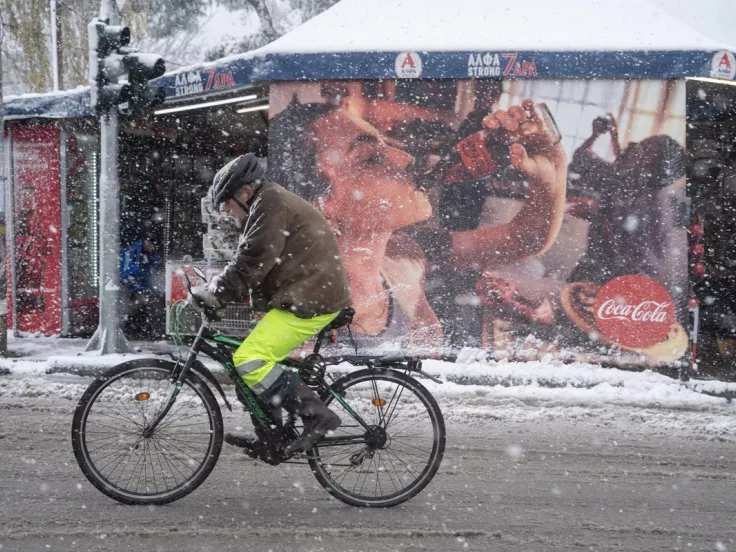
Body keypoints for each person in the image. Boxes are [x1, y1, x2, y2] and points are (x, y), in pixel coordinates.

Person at [267, 97, 567, 350]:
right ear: (319, 207)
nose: (406, 158)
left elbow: (523, 239)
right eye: (371, 158)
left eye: (389, 145)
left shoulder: (405, 253)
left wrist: (551, 172)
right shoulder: (300, 320)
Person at [188, 153, 351, 456]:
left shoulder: (271, 203)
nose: (226, 212)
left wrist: (218, 293)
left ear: (245, 193)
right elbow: (253, 260)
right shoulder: (267, 202)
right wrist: (223, 290)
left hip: (312, 300)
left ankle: (317, 415)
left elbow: (255, 257)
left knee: (250, 360)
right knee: (243, 367)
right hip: (305, 295)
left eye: (227, 204)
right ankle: (273, 437)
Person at [568, 115, 686, 288]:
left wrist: (600, 215)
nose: (633, 145)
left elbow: (644, 265)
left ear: (651, 168)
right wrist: (595, 135)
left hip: (620, 284)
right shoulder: (625, 178)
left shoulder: (655, 207)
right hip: (592, 266)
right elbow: (581, 161)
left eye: (644, 146)